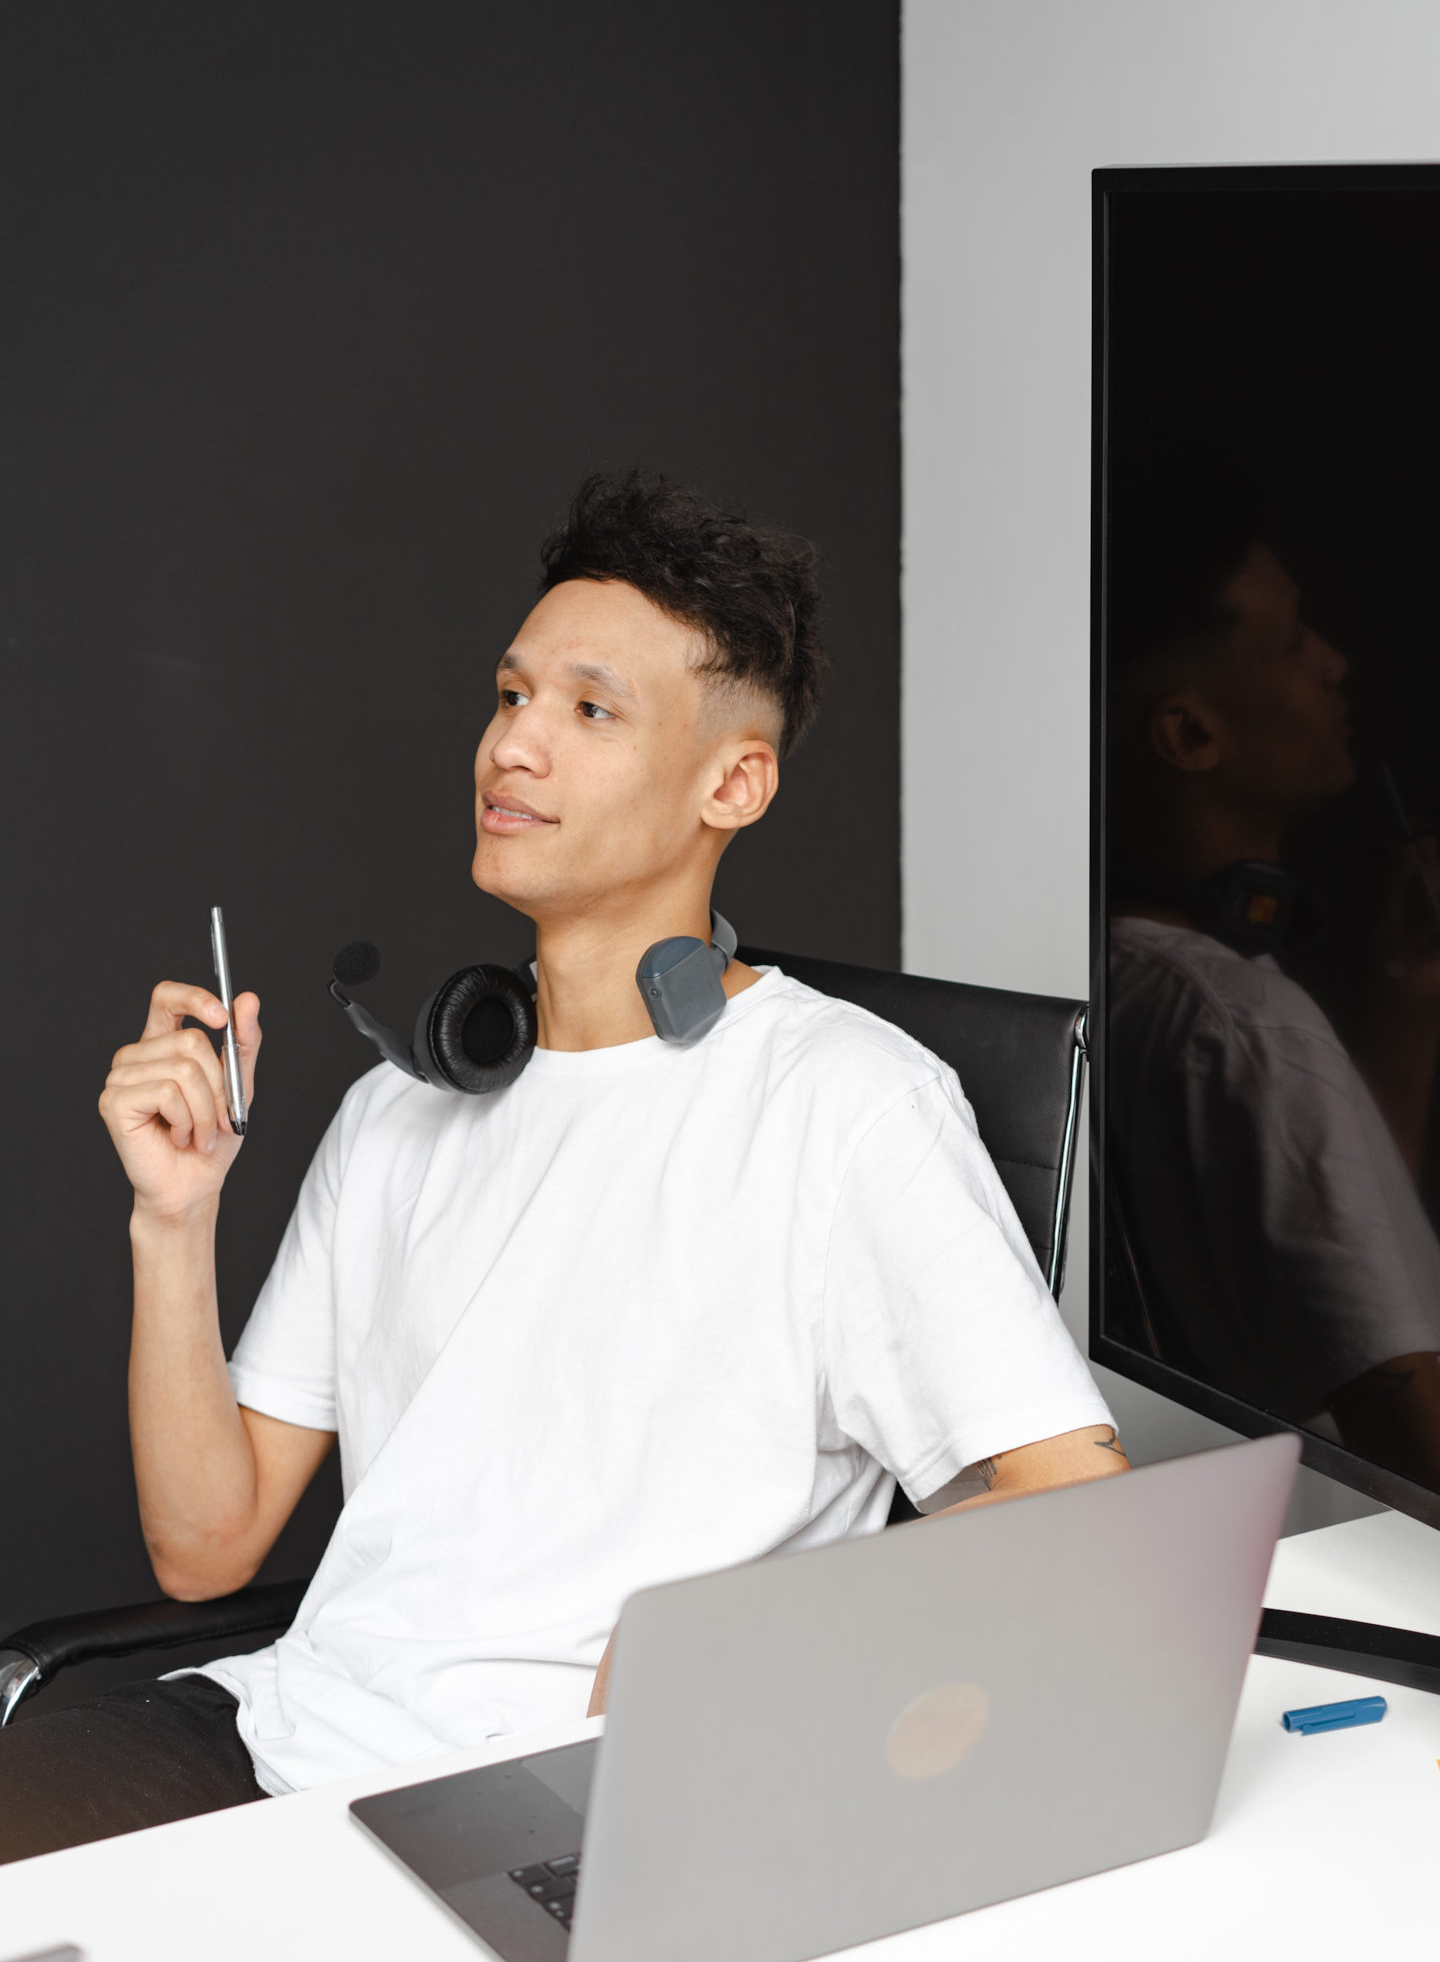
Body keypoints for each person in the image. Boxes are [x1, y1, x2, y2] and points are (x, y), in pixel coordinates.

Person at [0, 472, 1122, 1862]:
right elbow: (205, 1549)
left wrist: (709, 1656)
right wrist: (175, 1221)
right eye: (511, 694)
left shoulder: (850, 1106)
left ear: (734, 781)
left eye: (589, 710)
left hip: (563, 1811)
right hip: (279, 1738)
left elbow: (1074, 1504)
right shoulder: (396, 1114)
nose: (512, 746)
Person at [1107, 455, 1440, 1484]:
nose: (1334, 664)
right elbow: (1407, 1427)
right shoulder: (1242, 1022)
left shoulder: (1130, 985)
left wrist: (1406, 1000)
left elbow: (1317, 1220)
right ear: (1191, 733)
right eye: (1292, 642)